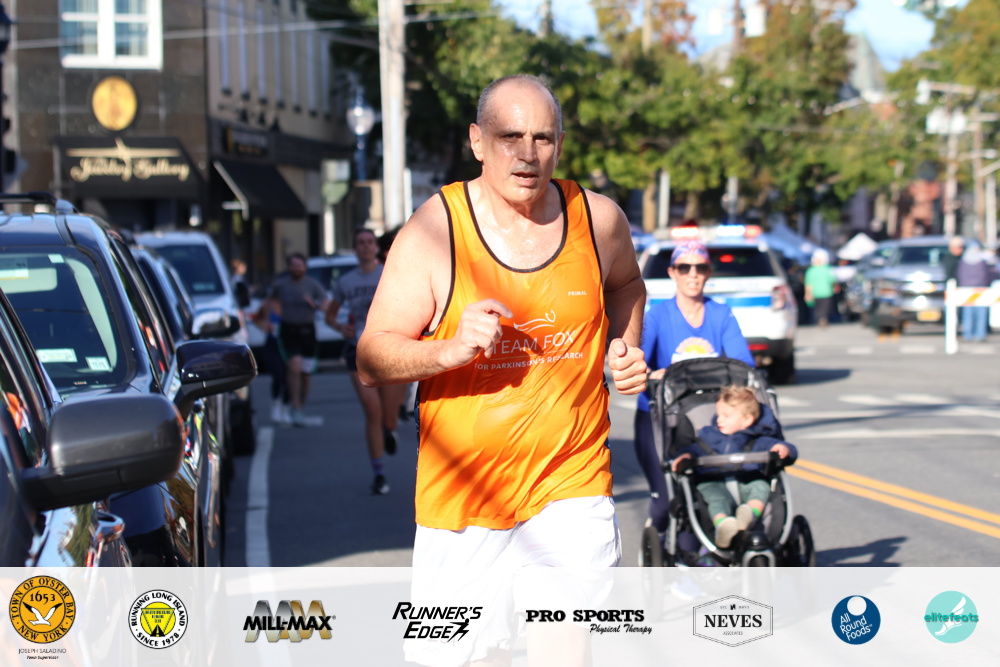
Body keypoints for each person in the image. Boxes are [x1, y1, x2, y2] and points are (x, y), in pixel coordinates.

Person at [356, 74, 647, 665]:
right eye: (509, 136)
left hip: (570, 481)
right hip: (463, 497)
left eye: (542, 137)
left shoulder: (598, 220)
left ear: (559, 144)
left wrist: (623, 346)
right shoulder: (436, 230)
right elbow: (371, 358)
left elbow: (626, 285)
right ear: (477, 142)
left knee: (563, 642)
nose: (526, 153)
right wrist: (447, 351)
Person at [634, 238, 753, 536]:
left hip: (706, 418)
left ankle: (702, 552)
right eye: (684, 267)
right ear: (672, 272)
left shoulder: (721, 315)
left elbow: (742, 365)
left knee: (705, 498)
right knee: (665, 503)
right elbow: (639, 362)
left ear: (709, 272)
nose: (693, 274)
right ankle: (656, 535)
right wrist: (652, 375)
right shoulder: (657, 316)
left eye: (700, 268)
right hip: (659, 418)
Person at [670, 385, 797, 548]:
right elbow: (693, 449)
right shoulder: (709, 437)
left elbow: (780, 446)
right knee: (716, 499)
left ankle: (749, 515)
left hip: (747, 479)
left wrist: (783, 449)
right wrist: (685, 456)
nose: (719, 420)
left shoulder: (758, 439)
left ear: (747, 420)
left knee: (760, 487)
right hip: (714, 480)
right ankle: (723, 526)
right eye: (718, 415)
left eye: (726, 416)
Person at [326, 228, 402, 495]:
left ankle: (389, 431)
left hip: (390, 349)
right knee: (372, 411)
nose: (366, 246)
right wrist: (340, 327)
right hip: (358, 350)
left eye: (370, 242)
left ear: (376, 247)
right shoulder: (346, 282)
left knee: (389, 419)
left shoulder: (390, 274)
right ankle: (379, 475)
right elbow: (330, 315)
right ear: (355, 248)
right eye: (361, 242)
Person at [260, 252, 329, 427]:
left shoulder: (312, 284)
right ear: (289, 267)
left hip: (307, 331)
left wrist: (315, 304)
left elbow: (326, 304)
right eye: (294, 266)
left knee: (306, 374)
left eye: (300, 266)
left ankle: (299, 407)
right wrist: (268, 320)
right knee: (294, 367)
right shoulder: (281, 285)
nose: (297, 269)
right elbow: (270, 302)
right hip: (288, 330)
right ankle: (295, 406)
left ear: (305, 267)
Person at [956, 244, 997, 343]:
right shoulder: (982, 261)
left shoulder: (963, 261)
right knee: (981, 314)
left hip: (966, 290)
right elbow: (988, 274)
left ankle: (967, 335)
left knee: (968, 315)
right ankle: (980, 335)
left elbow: (959, 274)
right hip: (981, 289)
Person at [804, 249, 838, 328]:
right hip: (826, 292)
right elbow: (833, 280)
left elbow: (808, 284)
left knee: (818, 308)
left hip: (817, 293)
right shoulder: (828, 269)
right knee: (825, 308)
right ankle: (822, 318)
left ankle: (820, 319)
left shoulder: (811, 270)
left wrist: (808, 294)